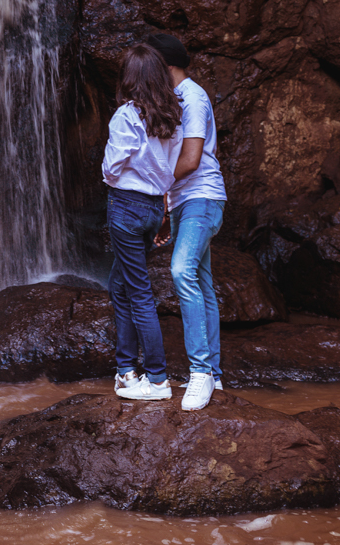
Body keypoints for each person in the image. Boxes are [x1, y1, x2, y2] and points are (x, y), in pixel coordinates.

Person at [148, 32, 227, 412]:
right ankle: (214, 370)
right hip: (183, 201)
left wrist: (152, 185)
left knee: (182, 271)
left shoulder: (192, 97)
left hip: (202, 197)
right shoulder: (173, 98)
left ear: (166, 65)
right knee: (203, 281)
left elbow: (192, 159)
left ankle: (200, 375)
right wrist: (166, 208)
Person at [102, 42, 182, 401]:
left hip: (126, 207)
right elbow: (168, 169)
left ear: (130, 78)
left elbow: (111, 167)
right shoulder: (169, 115)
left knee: (138, 293)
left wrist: (111, 174)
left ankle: (158, 379)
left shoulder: (126, 116)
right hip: (152, 209)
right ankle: (124, 372)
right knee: (119, 283)